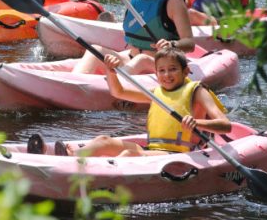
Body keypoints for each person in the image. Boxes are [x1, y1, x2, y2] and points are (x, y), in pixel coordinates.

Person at [26, 48, 230, 157]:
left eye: (173, 69)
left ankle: (76, 166)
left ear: (185, 71)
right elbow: (118, 91)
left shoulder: (196, 91)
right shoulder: (157, 92)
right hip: (154, 151)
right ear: (156, 72)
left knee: (127, 154)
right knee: (103, 140)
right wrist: (110, 71)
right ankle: (64, 157)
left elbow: (225, 125)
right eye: (162, 70)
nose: (167, 75)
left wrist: (197, 123)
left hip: (179, 154)